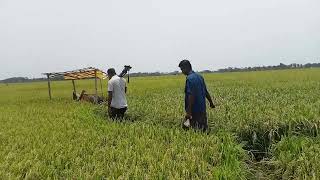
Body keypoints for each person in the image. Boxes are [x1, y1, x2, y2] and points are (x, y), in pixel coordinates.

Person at [178, 60, 215, 131]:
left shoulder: (189, 79)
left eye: (182, 69)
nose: (182, 71)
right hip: (202, 109)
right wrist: (211, 103)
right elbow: (206, 92)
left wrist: (188, 111)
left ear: (186, 67)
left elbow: (191, 95)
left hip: (194, 111)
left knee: (190, 130)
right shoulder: (200, 77)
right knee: (203, 129)